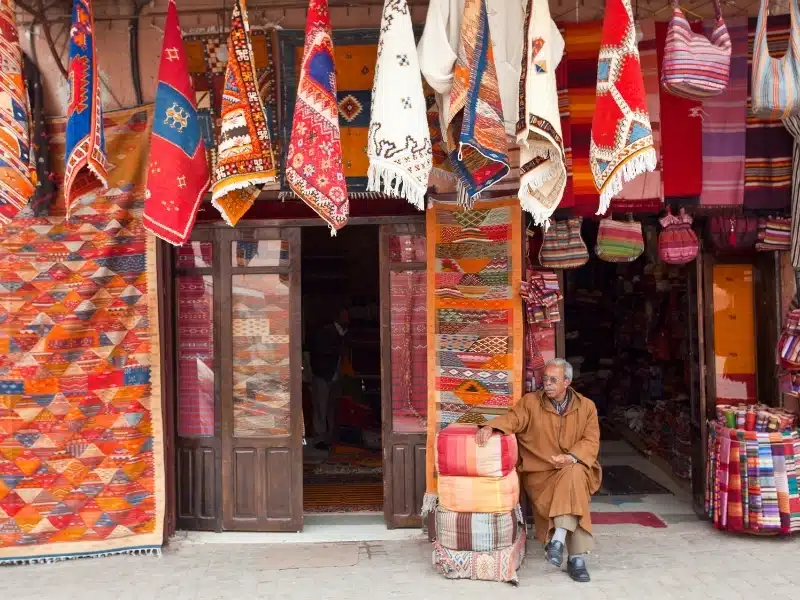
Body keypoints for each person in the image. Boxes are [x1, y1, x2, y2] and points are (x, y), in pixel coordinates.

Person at [476, 358, 601, 583]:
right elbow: (513, 419)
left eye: (554, 380)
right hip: (542, 473)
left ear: (567, 382)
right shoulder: (531, 403)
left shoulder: (587, 407)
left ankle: (558, 541)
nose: (547, 384)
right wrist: (491, 426)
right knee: (575, 488)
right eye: (545, 379)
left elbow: (591, 441)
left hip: (575, 467)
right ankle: (576, 559)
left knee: (574, 474)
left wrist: (571, 457)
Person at [308, 308, 350, 450]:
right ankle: (319, 438)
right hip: (324, 374)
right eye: (345, 315)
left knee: (332, 407)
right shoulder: (326, 332)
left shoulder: (345, 333)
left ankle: (330, 437)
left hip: (336, 375)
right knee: (321, 407)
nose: (347, 318)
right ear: (338, 317)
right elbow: (318, 352)